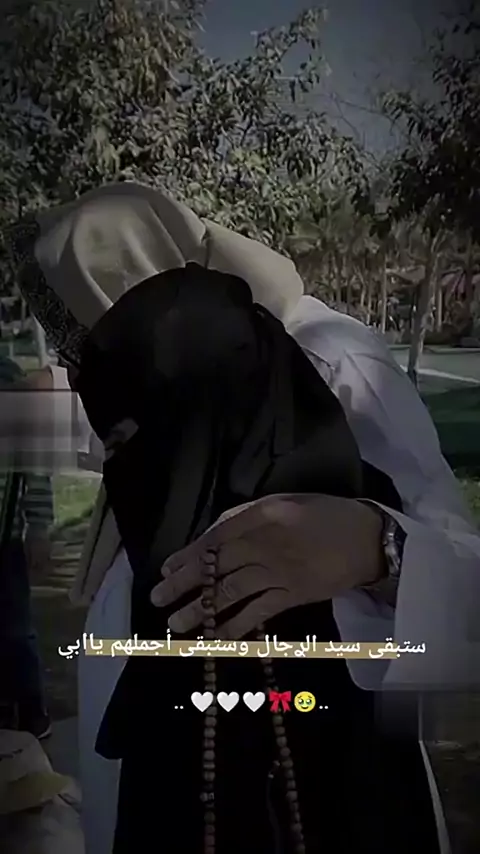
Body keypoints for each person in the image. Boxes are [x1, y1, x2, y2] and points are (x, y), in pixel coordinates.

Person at [7, 182, 480, 854]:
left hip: (326, 784)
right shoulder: (148, 382)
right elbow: (48, 422)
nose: (70, 361)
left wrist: (377, 547)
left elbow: (466, 580)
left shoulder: (330, 358)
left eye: (76, 333)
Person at [0, 356, 53, 740]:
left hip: (5, 541)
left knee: (16, 631)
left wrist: (39, 528)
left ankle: (32, 710)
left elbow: (34, 465)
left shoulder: (8, 378)